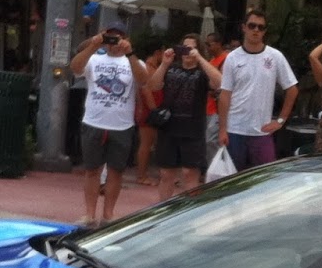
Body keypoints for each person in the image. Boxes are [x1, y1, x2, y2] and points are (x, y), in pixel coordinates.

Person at [70, 21, 149, 225]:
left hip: (121, 125)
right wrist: (94, 45)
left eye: (118, 37)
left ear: (126, 39)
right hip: (94, 121)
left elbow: (143, 80)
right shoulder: (95, 59)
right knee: (92, 170)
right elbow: (75, 67)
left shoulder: (134, 62)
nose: (114, 41)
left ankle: (108, 214)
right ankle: (89, 214)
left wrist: (130, 54)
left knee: (116, 171)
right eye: (110, 37)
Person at [217, 9, 299, 170]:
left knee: (265, 179)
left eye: (260, 27)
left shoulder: (275, 56)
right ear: (244, 27)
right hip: (235, 129)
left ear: (264, 31)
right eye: (252, 25)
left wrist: (281, 120)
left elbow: (292, 89)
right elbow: (225, 95)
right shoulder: (232, 58)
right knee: (233, 181)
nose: (256, 30)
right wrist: (222, 129)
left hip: (262, 131)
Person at [146, 41, 222, 197]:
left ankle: (191, 214)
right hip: (169, 128)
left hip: (193, 130)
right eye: (184, 47)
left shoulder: (202, 73)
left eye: (192, 47)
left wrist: (200, 58)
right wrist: (164, 64)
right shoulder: (171, 69)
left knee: (190, 173)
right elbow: (153, 86)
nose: (188, 51)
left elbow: (219, 82)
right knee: (166, 174)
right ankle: (164, 212)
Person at [133, 44, 165, 186]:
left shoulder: (156, 68)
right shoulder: (146, 68)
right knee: (146, 144)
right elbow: (145, 90)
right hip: (149, 109)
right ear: (157, 52)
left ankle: (154, 173)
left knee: (155, 142)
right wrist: (153, 110)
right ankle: (141, 175)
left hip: (156, 108)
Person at [203, 32, 229, 147]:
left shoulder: (227, 59)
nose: (207, 48)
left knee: (211, 141)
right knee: (207, 141)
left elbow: (225, 85)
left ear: (218, 44)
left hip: (217, 109)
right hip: (208, 107)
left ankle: (216, 165)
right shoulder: (211, 62)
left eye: (209, 44)